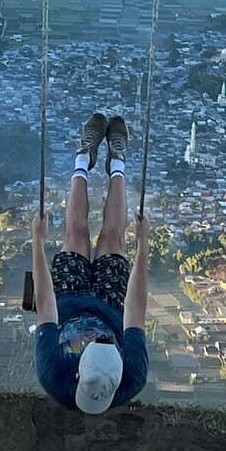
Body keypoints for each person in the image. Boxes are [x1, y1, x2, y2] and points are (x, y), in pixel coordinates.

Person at [32, 112, 149, 412]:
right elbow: (135, 309)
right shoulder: (133, 376)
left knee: (76, 235)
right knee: (113, 239)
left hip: (67, 302)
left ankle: (83, 159)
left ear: (77, 371)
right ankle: (118, 161)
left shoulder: (53, 371)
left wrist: (38, 241)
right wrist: (142, 246)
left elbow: (45, 302)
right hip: (112, 307)